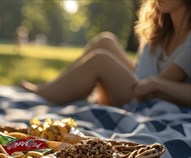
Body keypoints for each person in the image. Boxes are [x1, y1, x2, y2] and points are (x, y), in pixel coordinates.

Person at [21, 0, 191, 107]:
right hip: (141, 84)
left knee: (101, 60)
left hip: (148, 97)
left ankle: (43, 98)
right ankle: (48, 88)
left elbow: (158, 83)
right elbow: (140, 70)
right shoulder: (163, 27)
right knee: (105, 40)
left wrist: (143, 81)